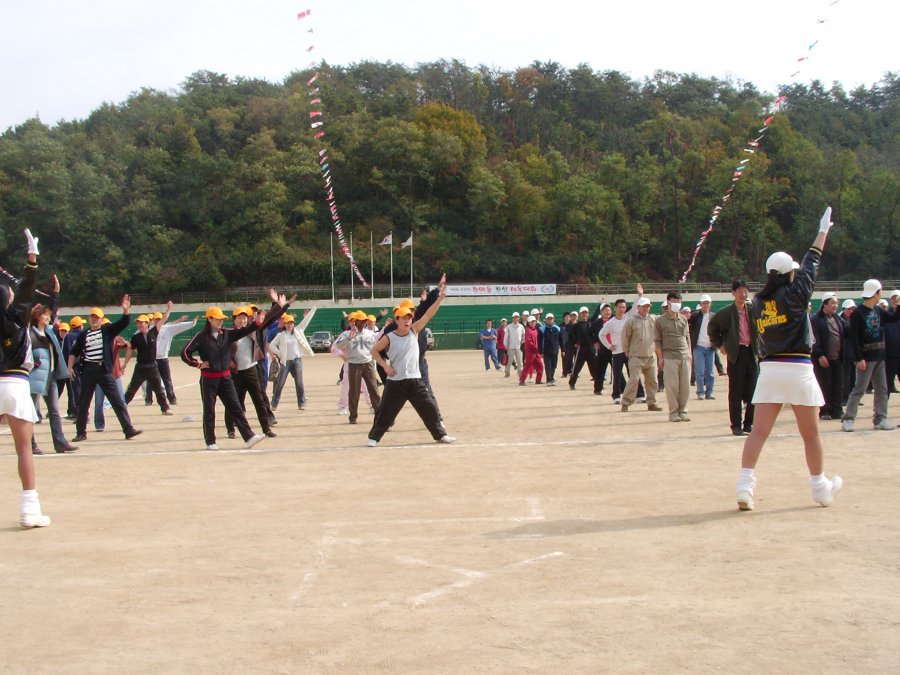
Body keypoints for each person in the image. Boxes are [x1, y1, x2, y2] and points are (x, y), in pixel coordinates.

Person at [735, 206, 841, 511]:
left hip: (769, 369)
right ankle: (820, 487)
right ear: (788, 273)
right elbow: (812, 262)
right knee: (811, 435)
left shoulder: (757, 303)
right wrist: (823, 231)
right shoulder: (795, 295)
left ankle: (744, 486)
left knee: (758, 432)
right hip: (798, 369)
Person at [181, 290, 291, 450]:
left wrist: (264, 317)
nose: (220, 322)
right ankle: (211, 441)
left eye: (221, 319)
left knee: (236, 408)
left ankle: (249, 437)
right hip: (209, 379)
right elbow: (185, 352)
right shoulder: (200, 337)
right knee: (209, 411)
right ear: (209, 319)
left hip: (226, 377)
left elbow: (247, 330)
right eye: (217, 319)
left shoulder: (227, 334)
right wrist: (197, 364)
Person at [2, 229, 52, 527]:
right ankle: (29, 509)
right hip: (15, 384)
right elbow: (27, 289)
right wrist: (32, 259)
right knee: (23, 449)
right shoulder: (16, 316)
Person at [367, 279, 454, 447]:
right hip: (396, 383)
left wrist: (440, 300)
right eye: (404, 318)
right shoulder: (389, 337)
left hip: (415, 380)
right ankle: (374, 438)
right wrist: (385, 366)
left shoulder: (414, 330)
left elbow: (428, 314)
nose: (407, 320)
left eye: (409, 317)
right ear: (396, 320)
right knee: (386, 413)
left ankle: (440, 435)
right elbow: (374, 351)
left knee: (429, 408)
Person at [68, 301, 143, 443]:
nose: (94, 319)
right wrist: (70, 367)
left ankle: (128, 429)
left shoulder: (107, 330)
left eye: (97, 317)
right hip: (88, 370)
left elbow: (124, 322)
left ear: (101, 319)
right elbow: (74, 352)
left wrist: (126, 310)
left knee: (117, 401)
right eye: (92, 317)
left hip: (104, 370)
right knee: (84, 402)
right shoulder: (83, 335)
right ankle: (81, 432)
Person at [841, 279, 900, 431]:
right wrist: (858, 358)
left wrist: (898, 306)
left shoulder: (879, 310)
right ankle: (848, 419)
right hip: (865, 359)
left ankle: (880, 419)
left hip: (880, 357)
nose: (881, 295)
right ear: (875, 293)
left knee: (882, 389)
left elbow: (893, 318)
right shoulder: (858, 313)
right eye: (880, 292)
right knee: (859, 389)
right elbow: (853, 338)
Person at [28, 289, 78, 455]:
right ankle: (31, 444)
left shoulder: (50, 332)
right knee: (31, 413)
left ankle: (60, 443)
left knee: (55, 412)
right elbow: (24, 352)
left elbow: (54, 310)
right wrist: (30, 362)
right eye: (45, 315)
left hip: (50, 377)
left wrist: (56, 293)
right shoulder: (29, 334)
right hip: (34, 377)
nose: (48, 317)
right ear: (37, 316)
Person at [707, 280, 760, 436]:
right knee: (735, 392)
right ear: (733, 293)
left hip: (751, 353)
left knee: (753, 391)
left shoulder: (752, 310)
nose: (743, 295)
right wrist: (720, 345)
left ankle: (749, 423)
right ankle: (736, 425)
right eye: (740, 291)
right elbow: (712, 328)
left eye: (745, 292)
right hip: (736, 355)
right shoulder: (726, 312)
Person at [223, 306, 277, 440]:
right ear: (234, 320)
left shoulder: (251, 331)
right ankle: (230, 429)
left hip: (251, 370)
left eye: (244, 318)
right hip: (235, 373)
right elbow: (222, 350)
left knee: (259, 401)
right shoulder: (228, 334)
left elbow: (267, 320)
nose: (242, 321)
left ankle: (266, 429)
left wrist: (278, 305)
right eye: (239, 318)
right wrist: (229, 360)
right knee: (234, 402)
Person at [333, 310, 383, 425]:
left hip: (368, 363)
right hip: (353, 364)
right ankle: (353, 416)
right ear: (356, 322)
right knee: (354, 392)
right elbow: (338, 346)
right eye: (361, 321)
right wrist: (349, 338)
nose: (364, 323)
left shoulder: (369, 333)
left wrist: (385, 328)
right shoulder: (346, 334)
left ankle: (379, 413)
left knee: (373, 389)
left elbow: (379, 337)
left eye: (365, 321)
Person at [598, 285, 644, 404]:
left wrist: (640, 295)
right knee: (617, 375)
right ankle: (616, 396)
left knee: (633, 373)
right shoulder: (610, 323)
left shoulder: (628, 317)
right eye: (620, 307)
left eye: (624, 307)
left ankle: (640, 395)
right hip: (617, 352)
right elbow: (601, 334)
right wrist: (609, 345)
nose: (622, 309)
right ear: (615, 308)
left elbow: (634, 307)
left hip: (629, 351)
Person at [145, 304, 196, 406]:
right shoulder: (148, 330)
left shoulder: (167, 328)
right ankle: (148, 399)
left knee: (167, 380)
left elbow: (177, 326)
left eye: (159, 319)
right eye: (156, 319)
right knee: (150, 381)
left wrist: (192, 323)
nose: (158, 321)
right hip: (152, 359)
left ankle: (172, 398)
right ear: (153, 320)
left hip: (163, 359)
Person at [122, 315, 173, 416]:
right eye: (138, 323)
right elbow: (129, 351)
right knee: (132, 389)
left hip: (152, 367)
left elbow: (163, 320)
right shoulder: (135, 337)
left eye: (142, 322)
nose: (139, 324)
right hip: (140, 367)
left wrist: (169, 309)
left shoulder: (154, 332)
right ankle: (121, 406)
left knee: (159, 390)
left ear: (147, 324)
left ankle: (165, 408)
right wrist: (124, 364)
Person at [268, 306, 316, 411]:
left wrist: (314, 309)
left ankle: (301, 403)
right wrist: (279, 354)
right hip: (285, 362)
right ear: (284, 324)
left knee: (299, 382)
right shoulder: (281, 335)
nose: (289, 325)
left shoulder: (298, 331)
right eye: (287, 323)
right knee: (280, 383)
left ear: (293, 323)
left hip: (297, 360)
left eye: (291, 323)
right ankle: (274, 403)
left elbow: (306, 321)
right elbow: (271, 345)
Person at [654, 292, 692, 422]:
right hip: (669, 356)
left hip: (684, 355)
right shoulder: (660, 321)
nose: (677, 303)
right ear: (668, 302)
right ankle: (673, 412)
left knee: (685, 386)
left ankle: (683, 411)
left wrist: (689, 354)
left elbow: (687, 338)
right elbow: (657, 341)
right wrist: (660, 357)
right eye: (674, 301)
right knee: (671, 386)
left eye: (679, 301)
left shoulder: (683, 319)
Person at [620, 297, 662, 412]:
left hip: (650, 356)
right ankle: (626, 402)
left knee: (652, 381)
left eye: (647, 306)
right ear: (638, 307)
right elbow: (625, 336)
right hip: (636, 356)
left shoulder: (654, 319)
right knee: (633, 380)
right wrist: (626, 350)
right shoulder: (631, 321)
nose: (645, 308)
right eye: (643, 306)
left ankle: (652, 402)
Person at [810, 292, 845, 420]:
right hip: (823, 358)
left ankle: (837, 410)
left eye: (837, 303)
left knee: (838, 384)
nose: (835, 306)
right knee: (825, 384)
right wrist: (819, 354)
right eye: (832, 303)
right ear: (825, 304)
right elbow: (814, 339)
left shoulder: (838, 319)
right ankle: (825, 410)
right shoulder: (816, 319)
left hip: (837, 358)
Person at [689, 294, 716, 400]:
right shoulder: (695, 316)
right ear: (700, 304)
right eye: (704, 303)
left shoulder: (713, 316)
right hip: (698, 347)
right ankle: (700, 392)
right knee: (699, 372)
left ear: (710, 304)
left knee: (710, 372)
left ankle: (709, 392)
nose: (706, 305)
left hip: (710, 347)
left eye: (707, 303)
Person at [518, 315, 544, 386]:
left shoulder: (535, 330)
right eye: (531, 322)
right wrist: (536, 348)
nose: (533, 323)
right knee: (527, 366)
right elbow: (529, 342)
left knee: (540, 366)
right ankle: (522, 380)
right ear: (528, 323)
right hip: (530, 352)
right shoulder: (528, 330)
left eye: (534, 322)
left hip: (536, 352)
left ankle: (538, 380)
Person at [539, 313, 563, 385]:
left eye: (551, 319)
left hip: (555, 350)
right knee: (548, 366)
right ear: (546, 320)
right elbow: (539, 341)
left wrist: (563, 350)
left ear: (553, 319)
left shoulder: (557, 328)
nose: (550, 320)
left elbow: (561, 340)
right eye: (548, 319)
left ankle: (552, 378)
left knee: (554, 366)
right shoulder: (542, 329)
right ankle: (548, 380)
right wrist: (540, 352)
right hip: (546, 351)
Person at [503, 312, 524, 378]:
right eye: (515, 317)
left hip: (519, 347)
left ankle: (520, 374)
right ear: (512, 318)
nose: (516, 319)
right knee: (509, 361)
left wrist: (523, 343)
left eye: (517, 317)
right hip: (511, 347)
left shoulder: (521, 326)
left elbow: (524, 335)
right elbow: (506, 337)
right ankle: (507, 374)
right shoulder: (508, 327)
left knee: (520, 362)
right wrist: (505, 345)